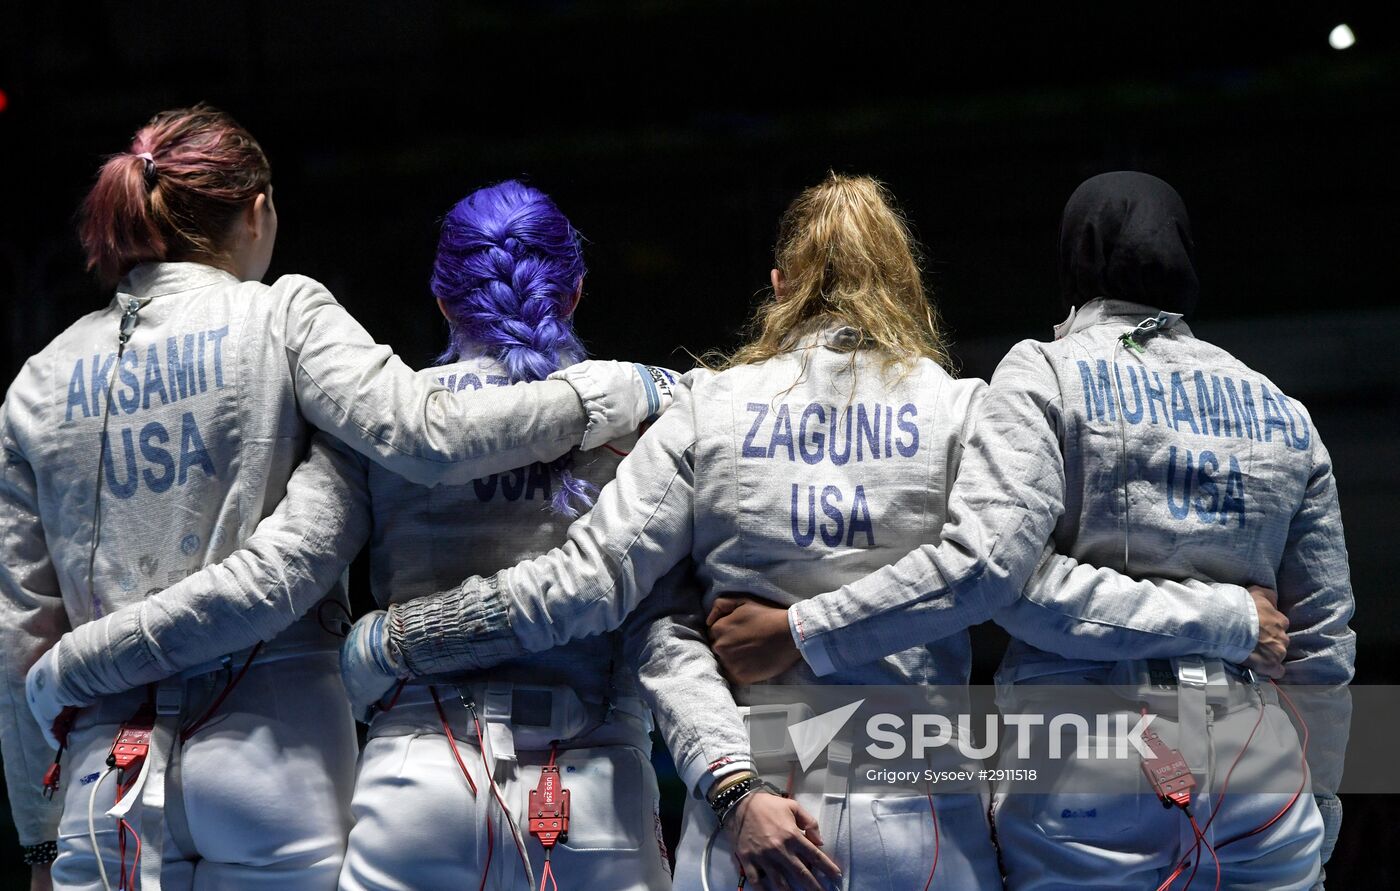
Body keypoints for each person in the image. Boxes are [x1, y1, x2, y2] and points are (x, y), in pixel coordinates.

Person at [3, 107, 670, 891]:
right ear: (257, 210)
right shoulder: (284, 313)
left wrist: (39, 839)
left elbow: (19, 631)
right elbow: (426, 437)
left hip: (100, 776)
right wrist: (626, 387)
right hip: (274, 753)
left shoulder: (38, 381)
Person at [340, 172, 997, 889]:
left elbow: (643, 613)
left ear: (779, 286)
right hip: (903, 790)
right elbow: (994, 578)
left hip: (439, 768)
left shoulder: (702, 406)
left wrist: (387, 642)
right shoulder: (964, 410)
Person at [701, 172, 1353, 889]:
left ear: (1074, 261)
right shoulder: (1284, 413)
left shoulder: (1045, 371)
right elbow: (1320, 642)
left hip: (1085, 752)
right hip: (1257, 759)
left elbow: (1004, 580)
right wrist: (1317, 800)